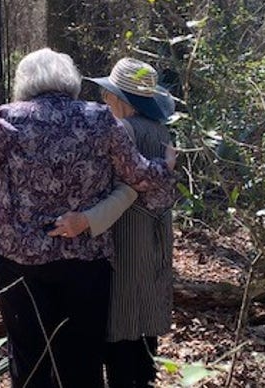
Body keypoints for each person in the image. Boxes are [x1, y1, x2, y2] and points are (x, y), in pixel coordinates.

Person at [0, 48, 176, 388]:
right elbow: (138, 175)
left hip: (18, 258)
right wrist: (165, 169)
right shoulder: (99, 117)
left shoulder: (9, 118)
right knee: (82, 357)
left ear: (25, 82)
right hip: (85, 259)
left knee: (29, 355)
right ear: (69, 81)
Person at [50, 57, 178, 388]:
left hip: (125, 228)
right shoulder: (162, 131)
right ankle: (143, 377)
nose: (105, 101)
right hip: (157, 229)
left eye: (110, 95)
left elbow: (127, 186)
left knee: (121, 311)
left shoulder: (123, 129)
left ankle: (125, 379)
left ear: (121, 99)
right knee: (146, 306)